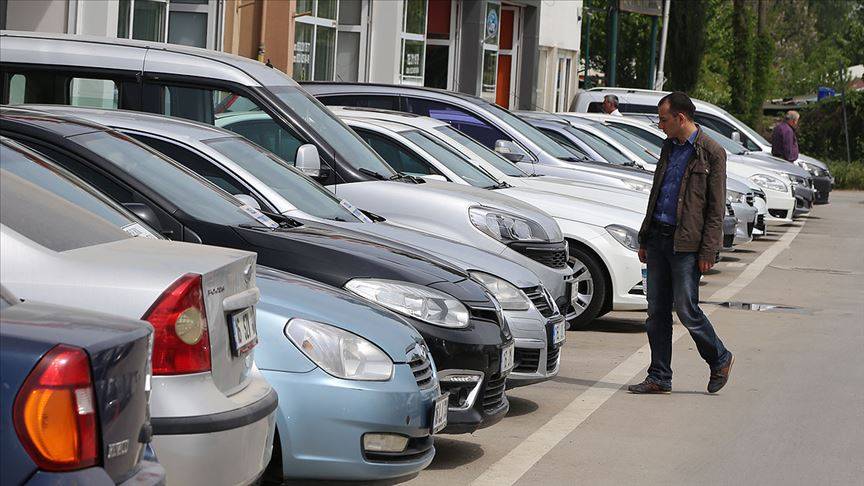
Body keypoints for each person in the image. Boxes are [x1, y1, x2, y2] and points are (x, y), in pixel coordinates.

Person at [629, 91, 734, 395]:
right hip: (659, 237)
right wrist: (645, 236)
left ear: (681, 118)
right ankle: (659, 376)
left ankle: (719, 357)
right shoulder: (668, 147)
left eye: (663, 119)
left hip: (686, 245)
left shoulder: (711, 152)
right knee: (656, 312)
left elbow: (716, 207)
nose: (659, 124)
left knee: (686, 309)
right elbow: (657, 194)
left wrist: (709, 250)